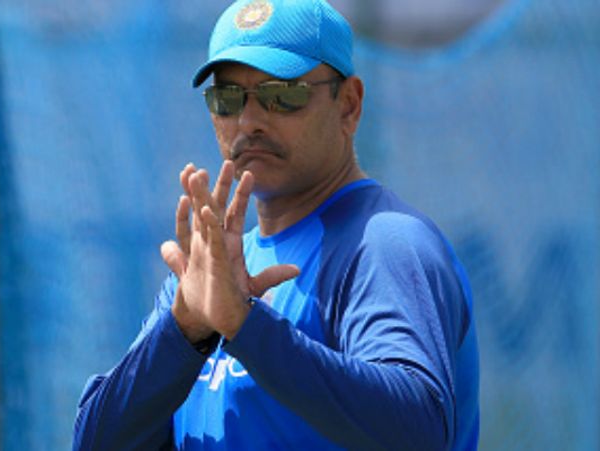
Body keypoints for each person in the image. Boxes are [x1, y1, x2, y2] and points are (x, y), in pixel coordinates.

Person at [73, 0, 479, 449]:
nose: (249, 121)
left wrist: (247, 327)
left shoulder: (385, 243)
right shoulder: (211, 274)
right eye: (228, 99)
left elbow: (416, 431)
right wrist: (183, 329)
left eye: (282, 94)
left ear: (348, 105)